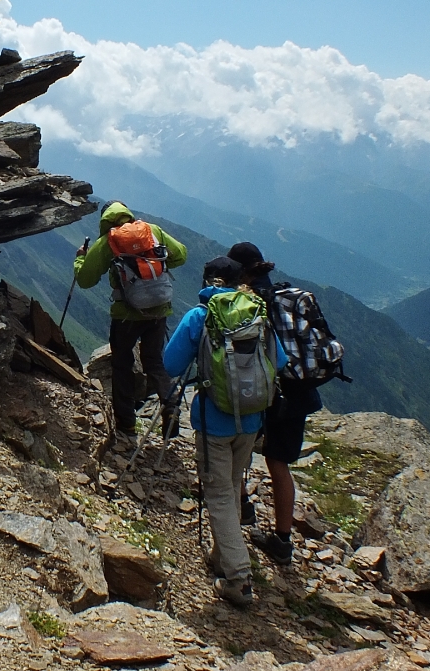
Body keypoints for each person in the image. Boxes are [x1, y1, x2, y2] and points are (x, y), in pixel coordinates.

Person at [163, 256, 286, 607]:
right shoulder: (256, 314)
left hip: (213, 421)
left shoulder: (199, 317)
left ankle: (238, 578)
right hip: (251, 419)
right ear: (239, 281)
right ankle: (220, 556)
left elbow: (170, 365)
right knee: (232, 485)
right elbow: (279, 363)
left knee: (217, 493)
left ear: (205, 279)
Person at [229, 241, 322, 567]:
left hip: (264, 392)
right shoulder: (290, 297)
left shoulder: (247, 302)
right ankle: (283, 541)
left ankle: (242, 507)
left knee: (236, 448)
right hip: (298, 393)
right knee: (278, 464)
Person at [74, 201, 187, 435]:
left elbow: (85, 279)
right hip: (158, 309)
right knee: (154, 360)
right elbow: (181, 255)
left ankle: (126, 423)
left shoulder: (108, 241)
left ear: (105, 219)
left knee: (122, 364)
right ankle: (170, 403)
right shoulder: (152, 230)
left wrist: (79, 259)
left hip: (126, 315)